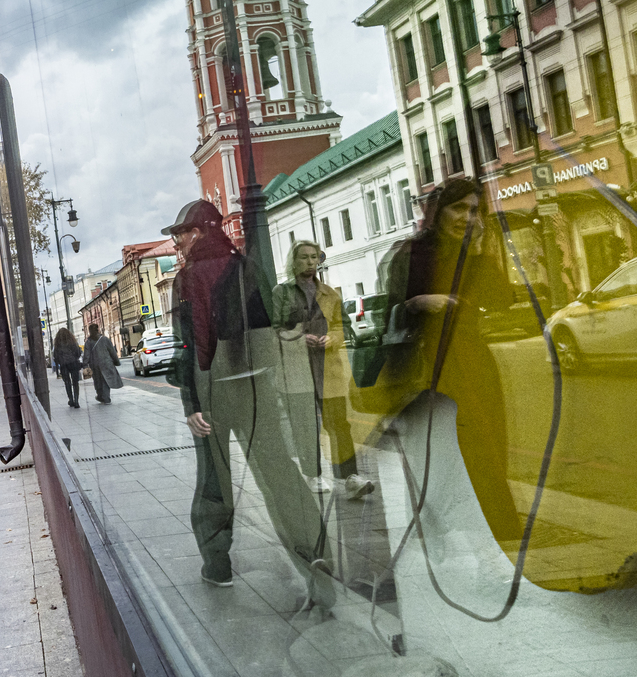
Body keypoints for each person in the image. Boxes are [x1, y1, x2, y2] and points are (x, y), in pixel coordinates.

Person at [163, 199, 331, 608]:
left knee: (214, 481)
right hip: (255, 390)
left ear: (199, 232)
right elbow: (267, 332)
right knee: (278, 472)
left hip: (213, 392)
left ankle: (217, 565)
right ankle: (315, 554)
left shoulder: (187, 280)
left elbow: (188, 345)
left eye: (180, 234)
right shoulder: (247, 268)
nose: (177, 243)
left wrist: (191, 402)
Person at [369, 179, 522, 546]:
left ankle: (493, 546)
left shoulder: (474, 255)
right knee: (437, 458)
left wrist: (483, 246)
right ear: (438, 212)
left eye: (474, 211)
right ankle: (436, 538)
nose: (467, 218)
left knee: (484, 451)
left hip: (472, 363)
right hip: (427, 367)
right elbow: (388, 312)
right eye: (459, 209)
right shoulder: (411, 253)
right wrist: (420, 302)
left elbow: (503, 298)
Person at [272, 242, 372, 499]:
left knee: (339, 423)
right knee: (305, 425)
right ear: (294, 262)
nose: (309, 262)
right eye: (304, 257)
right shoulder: (282, 293)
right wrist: (298, 337)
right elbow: (273, 330)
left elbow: (341, 327)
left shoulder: (330, 294)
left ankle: (350, 477)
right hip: (297, 371)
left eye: (314, 257)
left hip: (328, 369)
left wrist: (333, 339)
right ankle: (312, 473)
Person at [82, 324, 123, 404]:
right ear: (98, 330)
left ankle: (101, 396)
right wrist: (116, 361)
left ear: (90, 331)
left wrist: (85, 365)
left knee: (97, 381)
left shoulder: (88, 342)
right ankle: (105, 397)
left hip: (94, 365)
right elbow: (112, 352)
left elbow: (86, 355)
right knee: (105, 380)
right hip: (106, 363)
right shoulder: (105, 339)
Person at [53, 327, 84, 408]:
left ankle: (71, 400)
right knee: (75, 383)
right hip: (73, 364)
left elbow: (55, 357)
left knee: (67, 383)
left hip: (64, 366)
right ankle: (76, 401)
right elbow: (78, 352)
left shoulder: (58, 345)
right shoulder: (72, 342)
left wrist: (60, 362)